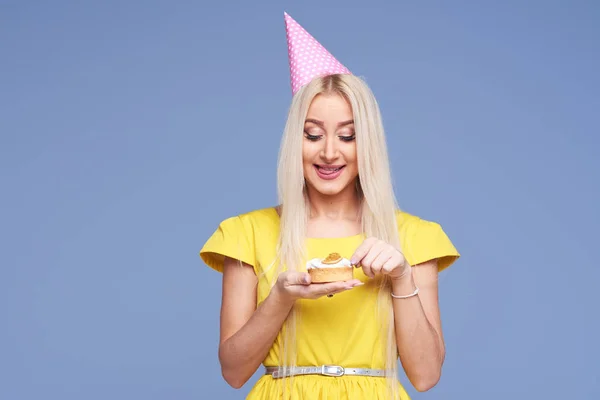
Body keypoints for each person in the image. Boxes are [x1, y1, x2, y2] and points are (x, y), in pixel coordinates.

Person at [200, 12, 460, 400]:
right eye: (313, 134)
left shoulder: (415, 237)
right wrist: (280, 298)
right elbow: (234, 372)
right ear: (295, 141)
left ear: (367, 144)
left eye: (348, 136)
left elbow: (425, 376)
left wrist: (402, 278)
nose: (329, 152)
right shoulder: (245, 234)